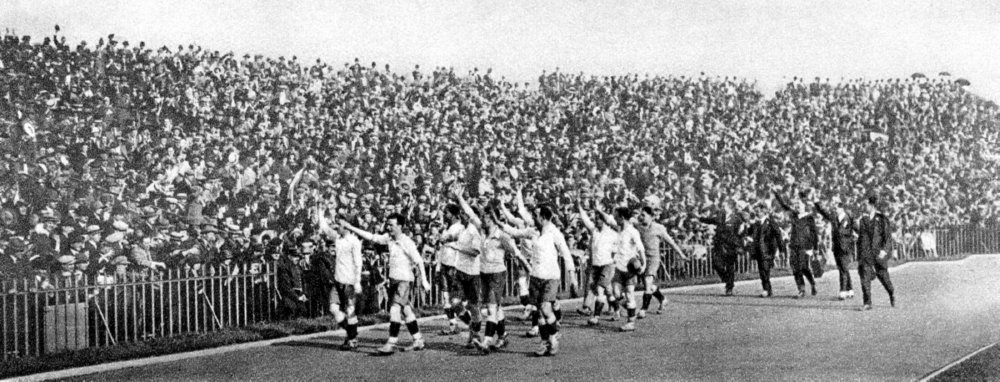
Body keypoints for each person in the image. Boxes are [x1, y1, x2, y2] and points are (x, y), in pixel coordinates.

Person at [341, 213, 431, 354]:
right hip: (394, 279)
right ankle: (418, 340)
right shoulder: (389, 238)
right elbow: (372, 237)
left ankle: (391, 343)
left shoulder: (407, 242)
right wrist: (351, 227)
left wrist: (425, 281)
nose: (388, 227)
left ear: (400, 226)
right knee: (406, 310)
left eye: (391, 225)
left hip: (404, 280)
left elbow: (419, 261)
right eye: (387, 224)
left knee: (394, 309)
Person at [500, 200, 576, 356]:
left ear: (544, 218)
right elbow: (514, 233)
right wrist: (497, 222)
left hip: (551, 277)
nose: (533, 219)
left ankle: (553, 338)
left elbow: (567, 254)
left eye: (535, 216)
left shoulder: (554, 233)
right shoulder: (533, 231)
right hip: (535, 276)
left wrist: (573, 277)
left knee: (546, 308)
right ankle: (544, 341)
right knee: (539, 313)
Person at [455, 194, 529, 354]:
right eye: (483, 218)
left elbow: (517, 254)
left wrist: (530, 269)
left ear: (494, 220)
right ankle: (502, 335)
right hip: (484, 275)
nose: (483, 221)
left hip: (497, 275)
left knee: (491, 308)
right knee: (497, 308)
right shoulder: (483, 231)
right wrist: (460, 197)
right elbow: (471, 214)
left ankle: (487, 340)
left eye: (487, 219)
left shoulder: (502, 236)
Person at [442, 186, 484, 348]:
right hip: (460, 272)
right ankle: (472, 328)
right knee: (454, 303)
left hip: (473, 274)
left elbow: (474, 252)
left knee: (474, 307)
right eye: (463, 214)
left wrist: (457, 247)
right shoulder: (463, 229)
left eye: (466, 215)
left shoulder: (475, 231)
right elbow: (452, 236)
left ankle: (475, 334)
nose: (463, 216)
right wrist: (446, 239)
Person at [318, 209, 364, 350]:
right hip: (338, 280)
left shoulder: (354, 241)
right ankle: (352, 335)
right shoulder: (337, 238)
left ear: (348, 225)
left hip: (349, 282)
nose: (338, 226)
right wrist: (320, 210)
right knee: (333, 308)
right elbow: (325, 228)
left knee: (350, 311)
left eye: (341, 224)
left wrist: (357, 282)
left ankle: (352, 339)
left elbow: (358, 263)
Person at [637, 206, 685, 318]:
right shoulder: (637, 227)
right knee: (649, 286)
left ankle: (643, 309)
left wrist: (681, 254)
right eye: (640, 214)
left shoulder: (659, 228)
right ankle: (663, 299)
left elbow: (671, 243)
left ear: (651, 217)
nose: (641, 217)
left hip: (654, 259)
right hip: (643, 259)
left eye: (643, 215)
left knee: (648, 282)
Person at [576, 201, 618, 326]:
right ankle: (617, 309)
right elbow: (585, 219)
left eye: (599, 219)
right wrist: (579, 206)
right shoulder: (594, 231)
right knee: (609, 292)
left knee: (599, 290)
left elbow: (616, 251)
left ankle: (596, 317)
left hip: (607, 265)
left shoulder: (612, 233)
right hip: (596, 266)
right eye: (595, 219)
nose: (596, 221)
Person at [774, 190, 819, 298]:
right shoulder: (794, 215)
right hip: (794, 245)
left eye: (799, 205)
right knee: (795, 268)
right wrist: (776, 193)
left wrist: (816, 247)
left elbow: (814, 233)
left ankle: (812, 282)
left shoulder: (809, 218)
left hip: (805, 246)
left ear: (804, 206)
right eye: (796, 205)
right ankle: (801, 289)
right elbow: (784, 205)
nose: (797, 207)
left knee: (803, 267)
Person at [697, 200, 745, 296]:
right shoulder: (720, 217)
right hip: (719, 245)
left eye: (725, 206)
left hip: (731, 246)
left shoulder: (737, 219)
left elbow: (740, 234)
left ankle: (729, 288)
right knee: (716, 263)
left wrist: (739, 245)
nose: (722, 208)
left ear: (730, 208)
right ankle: (727, 279)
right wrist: (700, 219)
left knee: (730, 267)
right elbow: (710, 220)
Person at [814, 196, 857, 300]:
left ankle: (843, 291)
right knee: (843, 268)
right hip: (837, 247)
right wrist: (817, 204)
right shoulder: (834, 217)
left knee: (843, 268)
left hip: (846, 247)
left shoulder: (849, 217)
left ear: (841, 208)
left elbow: (858, 229)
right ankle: (850, 289)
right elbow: (824, 213)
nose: (835, 210)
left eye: (836, 208)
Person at [856, 196, 896, 311]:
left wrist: (884, 251)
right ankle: (867, 302)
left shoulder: (882, 219)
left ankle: (891, 292)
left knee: (884, 277)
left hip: (879, 253)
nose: (863, 207)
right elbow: (861, 237)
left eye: (865, 205)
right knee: (864, 278)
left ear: (871, 205)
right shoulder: (862, 220)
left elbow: (887, 237)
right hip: (866, 254)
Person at [612, 206, 645, 332]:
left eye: (616, 216)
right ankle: (632, 309)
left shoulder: (632, 231)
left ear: (622, 217)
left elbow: (641, 248)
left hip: (630, 268)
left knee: (630, 294)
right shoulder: (620, 231)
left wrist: (644, 265)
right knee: (616, 292)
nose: (615, 218)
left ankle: (630, 322)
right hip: (620, 267)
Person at [434, 204, 464, 335]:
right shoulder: (447, 229)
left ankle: (472, 323)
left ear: (453, 214)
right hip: (444, 266)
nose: (445, 215)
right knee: (445, 299)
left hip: (455, 266)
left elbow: (459, 244)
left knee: (456, 301)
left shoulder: (461, 228)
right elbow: (442, 250)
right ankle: (453, 324)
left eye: (446, 213)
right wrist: (438, 267)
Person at [748, 202, 783, 297]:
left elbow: (778, 235)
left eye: (759, 211)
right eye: (756, 212)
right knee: (762, 270)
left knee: (765, 269)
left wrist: (781, 249)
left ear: (764, 211)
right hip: (758, 250)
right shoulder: (755, 224)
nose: (757, 213)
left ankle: (767, 289)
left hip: (768, 250)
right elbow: (748, 233)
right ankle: (767, 289)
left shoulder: (771, 222)